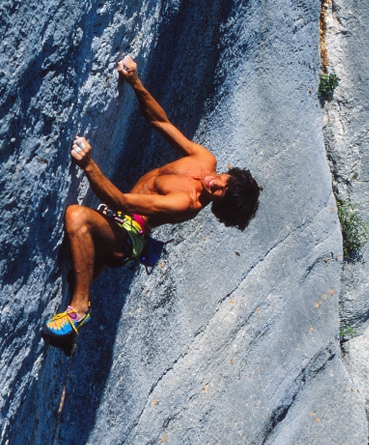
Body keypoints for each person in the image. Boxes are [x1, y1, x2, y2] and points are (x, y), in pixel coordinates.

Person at [43, 55, 261, 345]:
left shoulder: (186, 203)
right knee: (77, 272)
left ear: (219, 205)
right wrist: (135, 82)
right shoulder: (206, 160)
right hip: (117, 220)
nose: (216, 183)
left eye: (220, 192)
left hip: (127, 235)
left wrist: (89, 165)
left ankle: (80, 309)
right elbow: (160, 121)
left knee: (76, 217)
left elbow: (122, 201)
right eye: (225, 180)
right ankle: (71, 330)